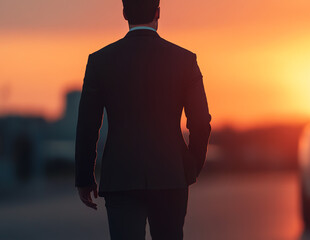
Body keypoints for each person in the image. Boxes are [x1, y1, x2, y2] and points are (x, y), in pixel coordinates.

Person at [74, 0, 211, 239]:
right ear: (158, 12)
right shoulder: (185, 60)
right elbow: (200, 121)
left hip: (121, 177)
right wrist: (191, 166)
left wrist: (84, 178)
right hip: (171, 175)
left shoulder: (99, 61)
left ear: (124, 13)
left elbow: (87, 124)